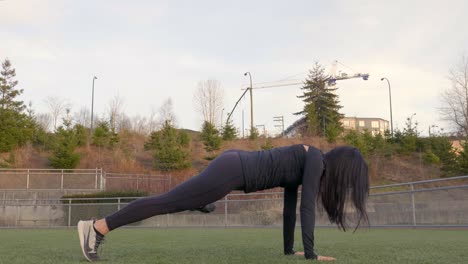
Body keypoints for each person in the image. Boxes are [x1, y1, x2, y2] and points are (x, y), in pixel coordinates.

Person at [77, 144, 369, 262]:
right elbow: (306, 207)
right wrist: (311, 255)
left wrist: (290, 250)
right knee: (167, 202)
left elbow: (291, 205)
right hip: (233, 172)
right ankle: (97, 227)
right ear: (343, 168)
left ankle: (199, 202)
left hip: (233, 168)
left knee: (187, 200)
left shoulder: (311, 158)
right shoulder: (316, 160)